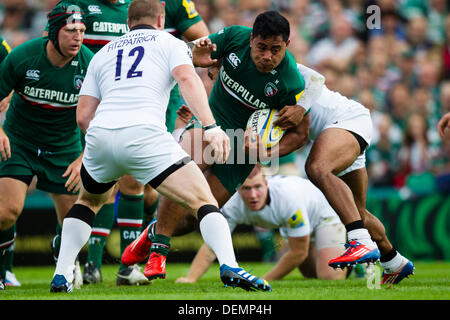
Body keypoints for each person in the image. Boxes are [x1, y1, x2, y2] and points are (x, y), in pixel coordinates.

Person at [50, 0, 271, 293]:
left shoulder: (102, 53)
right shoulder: (171, 42)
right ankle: (229, 265)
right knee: (203, 201)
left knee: (87, 203)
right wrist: (211, 126)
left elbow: (83, 116)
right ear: (161, 19)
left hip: (101, 135)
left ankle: (62, 274)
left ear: (128, 22)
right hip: (145, 134)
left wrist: (110, 143)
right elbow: (185, 78)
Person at [121, 10, 310, 286]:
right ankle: (159, 250)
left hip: (243, 153)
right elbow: (196, 55)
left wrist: (267, 153)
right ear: (251, 40)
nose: (267, 56)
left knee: (194, 216)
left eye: (275, 50)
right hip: (212, 126)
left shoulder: (291, 82)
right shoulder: (234, 37)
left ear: (287, 46)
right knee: (180, 175)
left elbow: (301, 134)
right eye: (261, 48)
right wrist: (206, 58)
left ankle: (151, 233)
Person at [0, 3, 93, 291]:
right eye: (70, 31)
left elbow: (101, 118)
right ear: (54, 32)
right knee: (6, 212)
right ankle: (3, 270)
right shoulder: (22, 56)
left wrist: (82, 157)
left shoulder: (89, 64)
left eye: (81, 31)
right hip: (20, 142)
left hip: (64, 148)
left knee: (76, 231)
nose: (77, 37)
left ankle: (60, 248)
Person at [297, 63, 414, 285]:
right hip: (344, 129)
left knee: (317, 168)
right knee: (357, 212)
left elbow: (300, 137)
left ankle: (359, 241)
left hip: (346, 123)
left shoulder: (283, 70)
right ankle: (394, 262)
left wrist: (259, 152)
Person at [175, 165, 348, 283]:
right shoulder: (233, 204)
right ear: (238, 189)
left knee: (329, 277)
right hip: (299, 221)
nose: (253, 195)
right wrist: (191, 278)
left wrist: (265, 280)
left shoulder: (287, 198)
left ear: (266, 184)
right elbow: (213, 245)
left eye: (258, 187)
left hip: (324, 215)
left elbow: (298, 252)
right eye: (246, 189)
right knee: (311, 275)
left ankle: (356, 266)